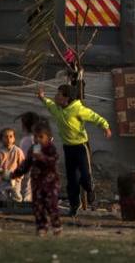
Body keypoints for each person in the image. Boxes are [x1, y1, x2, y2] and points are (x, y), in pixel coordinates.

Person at [36, 84, 112, 216]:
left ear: (66, 98)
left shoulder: (78, 109)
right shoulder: (58, 109)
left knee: (85, 174)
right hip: (68, 148)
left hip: (81, 146)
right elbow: (49, 105)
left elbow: (94, 116)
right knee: (72, 179)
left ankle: (90, 188)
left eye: (59, 94)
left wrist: (105, 126)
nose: (56, 96)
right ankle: (74, 205)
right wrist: (42, 98)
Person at [12, 121, 62, 235]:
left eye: (41, 137)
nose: (38, 139)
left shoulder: (50, 148)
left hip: (51, 183)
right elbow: (26, 164)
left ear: (48, 137)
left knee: (51, 204)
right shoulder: (33, 149)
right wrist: (14, 174)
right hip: (37, 183)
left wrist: (42, 158)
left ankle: (56, 225)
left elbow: (53, 161)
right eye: (35, 137)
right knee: (38, 206)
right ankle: (41, 226)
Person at [0, 128, 25, 202]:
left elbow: (22, 165)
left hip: (14, 178)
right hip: (3, 178)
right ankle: (4, 208)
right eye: (6, 137)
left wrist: (19, 177)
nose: (8, 139)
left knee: (16, 196)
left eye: (11, 136)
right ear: (1, 139)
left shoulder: (18, 151)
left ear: (14, 138)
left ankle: (16, 207)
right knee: (2, 197)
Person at [15, 112, 43, 201]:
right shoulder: (37, 139)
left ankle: (27, 203)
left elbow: (24, 156)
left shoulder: (27, 140)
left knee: (27, 187)